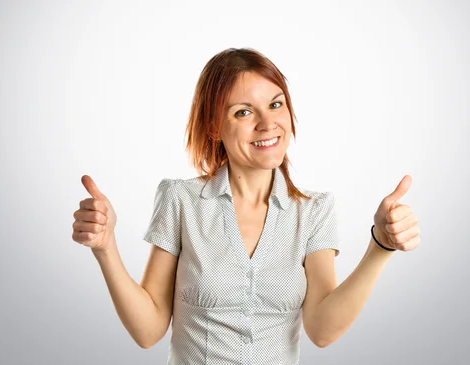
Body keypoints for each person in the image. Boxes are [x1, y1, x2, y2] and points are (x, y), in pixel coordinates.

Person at [72, 48, 421, 364]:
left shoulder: (314, 210)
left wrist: (380, 247)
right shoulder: (180, 200)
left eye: (275, 104)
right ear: (213, 126)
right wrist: (106, 248)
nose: (268, 124)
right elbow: (147, 331)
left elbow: (322, 330)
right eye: (243, 112)